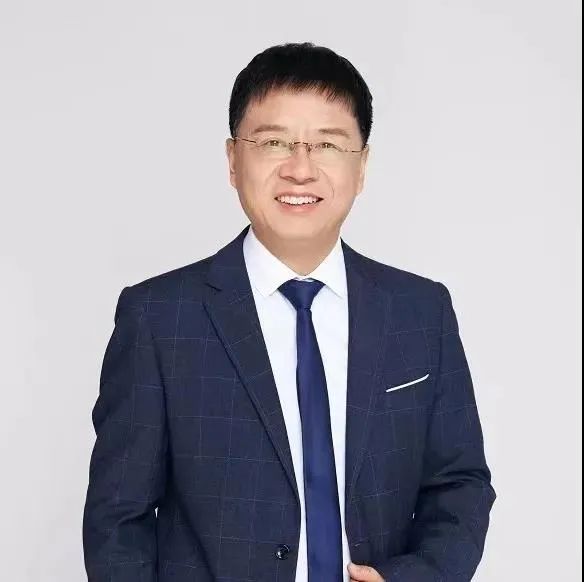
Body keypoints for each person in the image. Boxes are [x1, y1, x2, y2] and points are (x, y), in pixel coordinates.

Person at [83, 42, 495, 582]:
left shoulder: (420, 312)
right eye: (274, 142)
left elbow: (460, 486)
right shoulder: (160, 318)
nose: (300, 169)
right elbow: (117, 522)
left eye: (327, 144)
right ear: (233, 160)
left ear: (362, 166)